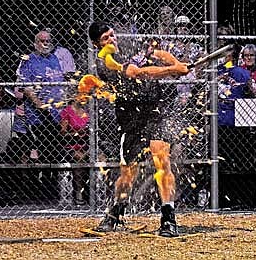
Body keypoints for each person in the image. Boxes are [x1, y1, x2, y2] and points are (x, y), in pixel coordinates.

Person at [88, 21, 189, 237]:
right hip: (130, 117)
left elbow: (157, 53)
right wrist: (173, 70)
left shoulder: (129, 45)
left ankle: (168, 217)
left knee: (162, 159)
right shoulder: (105, 62)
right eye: (106, 38)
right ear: (97, 44)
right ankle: (116, 211)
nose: (112, 39)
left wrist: (176, 64)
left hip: (154, 109)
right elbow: (138, 73)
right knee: (128, 174)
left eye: (112, 34)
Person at [17, 28, 75, 163]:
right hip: (39, 117)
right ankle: (42, 183)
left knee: (55, 154)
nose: (46, 44)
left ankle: (52, 181)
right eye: (42, 41)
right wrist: (41, 105)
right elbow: (26, 87)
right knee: (42, 153)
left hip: (56, 114)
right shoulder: (29, 60)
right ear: (35, 43)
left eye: (48, 41)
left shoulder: (54, 59)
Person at [60, 95, 90, 205]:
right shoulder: (67, 111)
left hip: (87, 145)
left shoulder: (87, 110)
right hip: (72, 146)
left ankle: (99, 195)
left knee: (102, 157)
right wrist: (78, 133)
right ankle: (79, 193)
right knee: (79, 158)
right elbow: (63, 133)